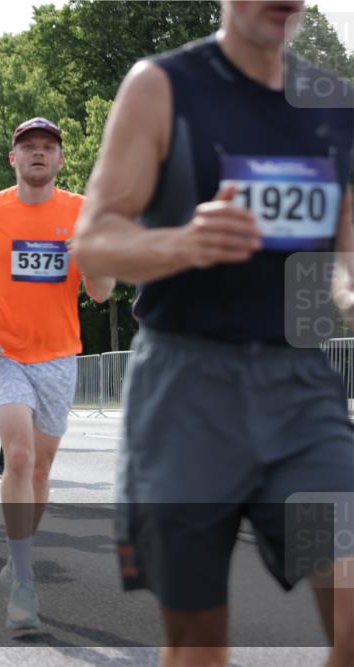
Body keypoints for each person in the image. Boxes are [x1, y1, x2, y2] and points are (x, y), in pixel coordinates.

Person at [71, 2, 354, 664]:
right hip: (187, 388)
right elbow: (94, 242)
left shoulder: (335, 105)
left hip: (301, 390)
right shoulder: (162, 85)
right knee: (199, 643)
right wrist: (185, 242)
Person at [0, 117, 114, 630]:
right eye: (29, 147)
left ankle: (16, 557)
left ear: (61, 159)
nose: (38, 153)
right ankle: (23, 583)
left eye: (47, 147)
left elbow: (102, 292)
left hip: (59, 357)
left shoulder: (82, 212)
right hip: (3, 355)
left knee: (40, 472)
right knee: (17, 456)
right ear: (13, 158)